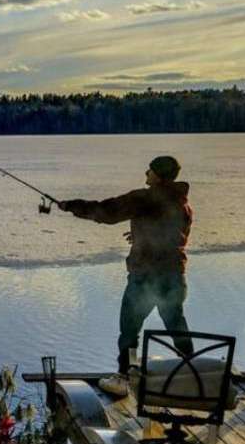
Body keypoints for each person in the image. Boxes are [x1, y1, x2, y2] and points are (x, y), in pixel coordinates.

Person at [58, 155, 194, 376]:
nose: (146, 174)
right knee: (177, 327)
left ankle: (125, 374)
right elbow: (173, 234)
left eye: (149, 170)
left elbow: (106, 212)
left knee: (130, 331)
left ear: (158, 176)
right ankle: (193, 371)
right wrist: (139, 235)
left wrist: (70, 206)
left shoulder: (145, 199)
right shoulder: (183, 203)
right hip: (174, 276)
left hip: (146, 277)